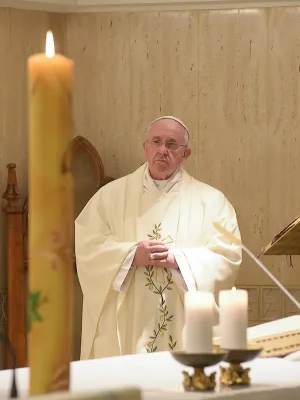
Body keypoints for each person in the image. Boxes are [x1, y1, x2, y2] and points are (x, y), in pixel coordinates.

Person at [75, 116, 242, 360]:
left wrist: (180, 260)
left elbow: (227, 256)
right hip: (127, 321)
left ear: (186, 153)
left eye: (172, 144)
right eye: (156, 141)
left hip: (184, 325)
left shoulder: (212, 202)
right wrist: (131, 255)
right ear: (146, 148)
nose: (163, 150)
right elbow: (89, 246)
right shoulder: (110, 197)